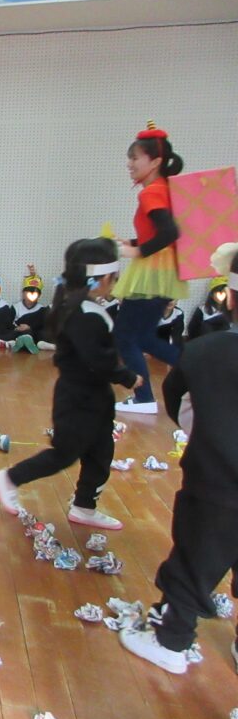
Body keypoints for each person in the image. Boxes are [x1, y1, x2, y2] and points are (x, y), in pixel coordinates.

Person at [119, 242, 238, 675]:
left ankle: (171, 640)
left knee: (193, 557)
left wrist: (209, 434)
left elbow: (178, 400)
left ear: (231, 296)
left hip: (218, 482)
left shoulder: (207, 351)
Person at [0, 238, 142, 530]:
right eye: (115, 278)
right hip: (78, 399)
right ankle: (10, 478)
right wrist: (128, 377)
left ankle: (85, 506)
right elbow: (98, 359)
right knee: (64, 453)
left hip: (95, 396)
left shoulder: (82, 307)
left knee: (101, 452)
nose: (115, 284)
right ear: (101, 279)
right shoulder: (85, 313)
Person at [113, 121, 187, 414]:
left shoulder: (150, 192)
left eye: (134, 158)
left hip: (152, 273)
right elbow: (158, 231)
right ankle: (194, 371)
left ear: (155, 162)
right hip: (161, 272)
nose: (129, 164)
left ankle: (144, 399)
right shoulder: (162, 188)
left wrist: (137, 250)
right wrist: (132, 241)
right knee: (142, 337)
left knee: (124, 336)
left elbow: (169, 232)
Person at [13, 265, 50, 351]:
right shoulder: (15, 307)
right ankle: (21, 343)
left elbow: (42, 325)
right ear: (23, 293)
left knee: (42, 333)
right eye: (29, 293)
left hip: (34, 334)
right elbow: (9, 323)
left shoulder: (42, 309)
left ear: (39, 295)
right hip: (19, 332)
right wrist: (17, 328)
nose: (31, 296)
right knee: (13, 334)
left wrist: (30, 327)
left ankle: (31, 344)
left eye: (35, 294)